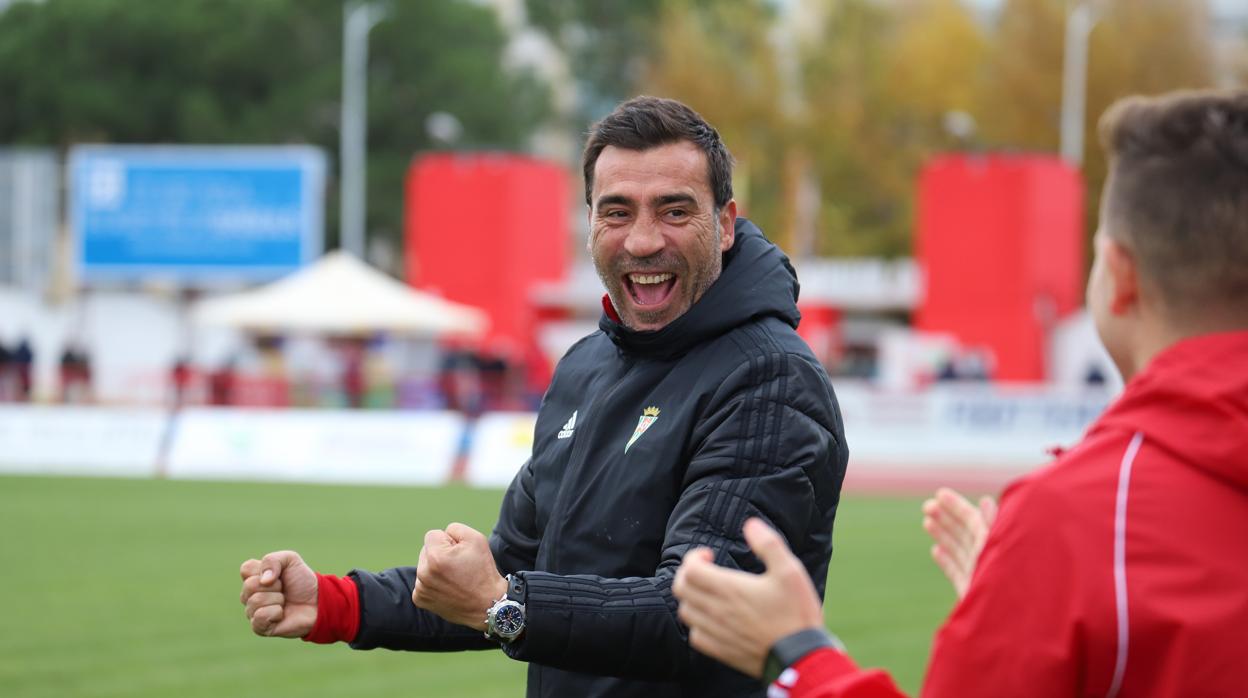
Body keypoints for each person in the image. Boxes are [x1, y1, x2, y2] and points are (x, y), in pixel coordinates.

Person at [238, 96, 849, 698]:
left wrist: (504, 605)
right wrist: (338, 603)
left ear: (723, 223)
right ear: (588, 223)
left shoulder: (770, 378)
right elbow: (505, 572)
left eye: (673, 210)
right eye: (616, 212)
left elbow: (700, 616)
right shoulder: (587, 366)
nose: (641, 240)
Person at [672, 88, 1248, 697]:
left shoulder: (1085, 525)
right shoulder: (1073, 540)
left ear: (1121, 275)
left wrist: (799, 656)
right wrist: (1024, 599)